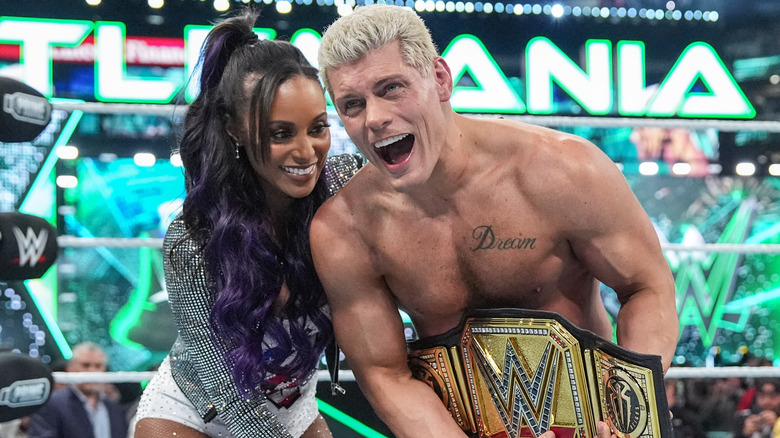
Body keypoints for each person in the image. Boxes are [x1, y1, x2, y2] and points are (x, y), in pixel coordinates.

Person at [311, 4, 678, 437]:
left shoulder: (563, 171)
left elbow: (647, 286)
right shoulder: (345, 229)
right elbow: (385, 375)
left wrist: (627, 416)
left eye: (391, 88)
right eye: (352, 104)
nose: (374, 118)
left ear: (440, 80)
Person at [130, 8, 362, 438]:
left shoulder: (346, 185)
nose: (306, 151)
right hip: (195, 411)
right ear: (235, 131)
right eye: (279, 134)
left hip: (294, 406)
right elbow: (223, 391)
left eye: (317, 128)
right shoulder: (193, 239)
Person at [27, 342, 129, 438]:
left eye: (98, 366)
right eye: (86, 365)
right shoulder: (52, 403)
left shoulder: (114, 408)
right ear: (70, 369)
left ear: (105, 370)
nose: (92, 371)